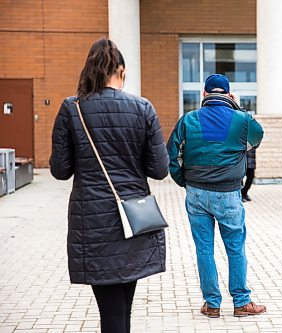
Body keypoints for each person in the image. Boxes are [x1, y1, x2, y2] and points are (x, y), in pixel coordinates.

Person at [49, 38, 170, 333]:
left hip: (92, 224)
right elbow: (160, 169)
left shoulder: (71, 108)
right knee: (121, 311)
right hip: (134, 221)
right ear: (122, 70)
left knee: (112, 314)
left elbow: (60, 170)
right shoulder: (142, 108)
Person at [167, 74, 266, 318]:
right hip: (229, 192)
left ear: (204, 94)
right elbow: (256, 138)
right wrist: (238, 108)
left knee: (204, 250)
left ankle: (212, 304)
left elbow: (172, 156)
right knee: (235, 248)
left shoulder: (188, 119)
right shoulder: (242, 119)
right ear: (229, 95)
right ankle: (241, 302)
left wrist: (186, 182)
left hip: (196, 192)